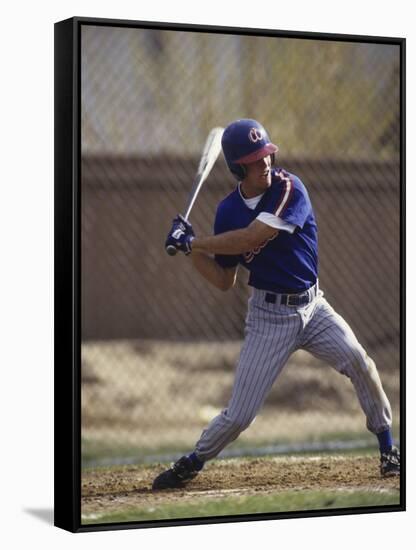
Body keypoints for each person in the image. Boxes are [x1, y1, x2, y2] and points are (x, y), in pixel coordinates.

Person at [152, 118, 400, 490]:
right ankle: (193, 461)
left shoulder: (289, 188)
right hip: (269, 316)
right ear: (237, 167)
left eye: (266, 154)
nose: (265, 162)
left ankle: (388, 447)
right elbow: (223, 280)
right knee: (240, 416)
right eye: (254, 159)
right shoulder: (227, 212)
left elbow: (253, 236)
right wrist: (189, 251)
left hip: (313, 307)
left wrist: (195, 242)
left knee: (360, 361)